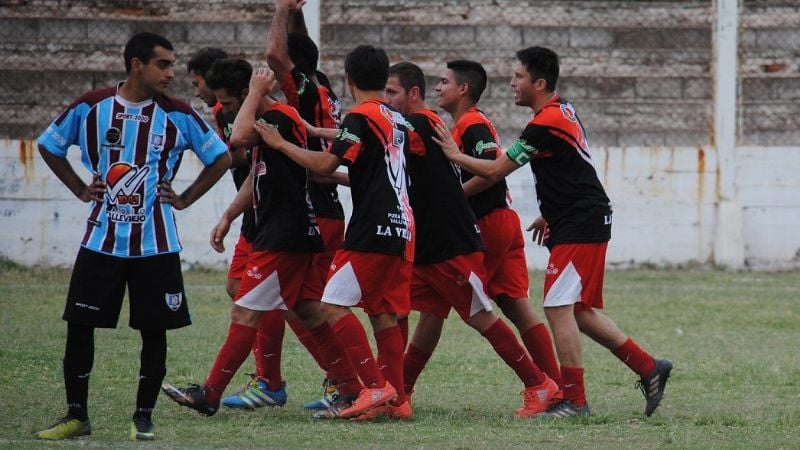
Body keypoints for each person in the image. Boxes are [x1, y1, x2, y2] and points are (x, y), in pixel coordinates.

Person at [433, 46, 673, 418]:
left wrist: (453, 154)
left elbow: (496, 171)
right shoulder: (562, 111)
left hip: (582, 221)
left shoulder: (546, 122)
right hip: (577, 217)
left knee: (558, 307)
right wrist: (550, 212)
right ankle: (648, 367)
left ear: (539, 83)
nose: (512, 83)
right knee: (578, 311)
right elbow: (574, 165)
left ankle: (574, 401)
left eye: (519, 77)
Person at [161, 66, 389, 421]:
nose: (226, 110)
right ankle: (351, 389)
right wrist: (229, 216)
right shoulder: (267, 125)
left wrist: (254, 93)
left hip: (285, 233)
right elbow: (256, 172)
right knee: (308, 309)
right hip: (283, 231)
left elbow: (236, 139)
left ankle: (211, 393)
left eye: (229, 102)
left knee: (245, 310)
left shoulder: (279, 119)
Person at [35, 32, 231, 441]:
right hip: (101, 241)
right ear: (136, 64)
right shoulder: (92, 106)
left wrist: (184, 198)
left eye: (174, 65)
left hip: (155, 245)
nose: (172, 73)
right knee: (79, 325)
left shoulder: (177, 114)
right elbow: (49, 145)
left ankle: (143, 416)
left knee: (153, 329)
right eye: (163, 64)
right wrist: (77, 187)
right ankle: (76, 416)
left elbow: (221, 157)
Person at [380, 61, 560, 420]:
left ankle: (543, 385)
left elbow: (492, 168)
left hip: (481, 225)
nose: (438, 88)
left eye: (444, 82)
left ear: (463, 89)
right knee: (502, 308)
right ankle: (399, 393)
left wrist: (453, 198)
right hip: (485, 224)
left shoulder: (469, 124)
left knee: (476, 312)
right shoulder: (447, 124)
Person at [253, 45, 412, 420]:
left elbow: (327, 160)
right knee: (383, 313)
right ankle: (397, 401)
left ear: (349, 78)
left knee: (331, 305)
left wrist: (281, 143)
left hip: (371, 227)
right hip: (401, 225)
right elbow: (355, 151)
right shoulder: (393, 118)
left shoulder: (360, 116)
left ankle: (374, 388)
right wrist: (311, 130)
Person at [218, 0, 348, 411]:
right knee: (267, 295)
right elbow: (296, 48)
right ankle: (284, 380)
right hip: (302, 209)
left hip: (307, 210)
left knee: (301, 304)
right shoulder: (318, 87)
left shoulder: (298, 96)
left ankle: (340, 382)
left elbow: (278, 54)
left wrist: (280, 8)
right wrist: (293, 11)